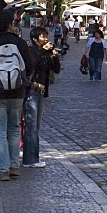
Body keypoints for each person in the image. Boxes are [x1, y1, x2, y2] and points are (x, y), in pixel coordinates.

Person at [0, 10, 35, 181]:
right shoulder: (20, 43)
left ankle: (3, 170)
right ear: (10, 24)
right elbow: (30, 66)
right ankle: (14, 167)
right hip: (18, 92)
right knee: (14, 128)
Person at [23, 26, 60, 168]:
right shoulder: (32, 51)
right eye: (42, 36)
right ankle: (30, 160)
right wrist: (43, 50)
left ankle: (33, 157)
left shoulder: (44, 53)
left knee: (36, 126)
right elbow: (31, 65)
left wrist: (54, 55)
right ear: (35, 39)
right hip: (32, 90)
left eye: (46, 35)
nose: (46, 38)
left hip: (41, 92)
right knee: (31, 126)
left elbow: (55, 70)